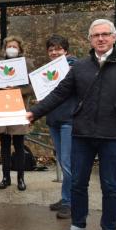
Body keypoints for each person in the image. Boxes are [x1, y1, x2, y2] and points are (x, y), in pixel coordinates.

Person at [27, 19, 116, 230]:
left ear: (114, 37)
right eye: (96, 35)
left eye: (106, 34)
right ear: (90, 39)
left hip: (113, 134)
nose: (101, 39)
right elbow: (59, 94)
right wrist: (34, 112)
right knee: (77, 183)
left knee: (110, 186)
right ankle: (77, 228)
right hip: (82, 133)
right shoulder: (81, 67)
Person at [0, 36, 34, 192]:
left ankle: (21, 178)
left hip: (19, 108)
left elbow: (32, 87)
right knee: (4, 145)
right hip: (2, 109)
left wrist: (17, 90)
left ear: (20, 48)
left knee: (19, 145)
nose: (12, 49)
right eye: (9, 46)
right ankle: (5, 177)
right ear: (5, 48)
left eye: (15, 46)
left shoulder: (27, 64)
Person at [44, 34, 77, 219]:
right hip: (54, 120)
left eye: (58, 49)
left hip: (69, 121)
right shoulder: (48, 71)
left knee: (67, 162)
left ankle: (70, 203)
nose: (54, 52)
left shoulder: (74, 66)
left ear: (66, 50)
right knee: (63, 161)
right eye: (51, 49)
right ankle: (66, 197)